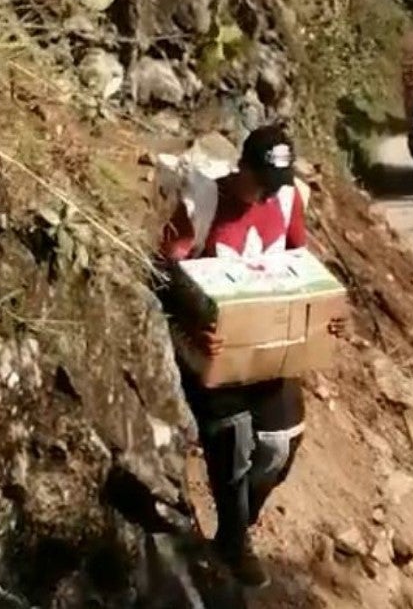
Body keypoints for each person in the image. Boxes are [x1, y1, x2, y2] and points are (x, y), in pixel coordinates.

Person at [159, 124, 346, 589]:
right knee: (234, 437)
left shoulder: (285, 201)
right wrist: (196, 326)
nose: (266, 194)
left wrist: (325, 315)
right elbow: (167, 273)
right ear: (242, 167)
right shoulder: (204, 205)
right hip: (213, 347)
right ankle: (235, 539)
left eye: (275, 185)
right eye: (260, 181)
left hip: (265, 345)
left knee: (281, 445)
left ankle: (238, 523)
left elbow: (301, 269)